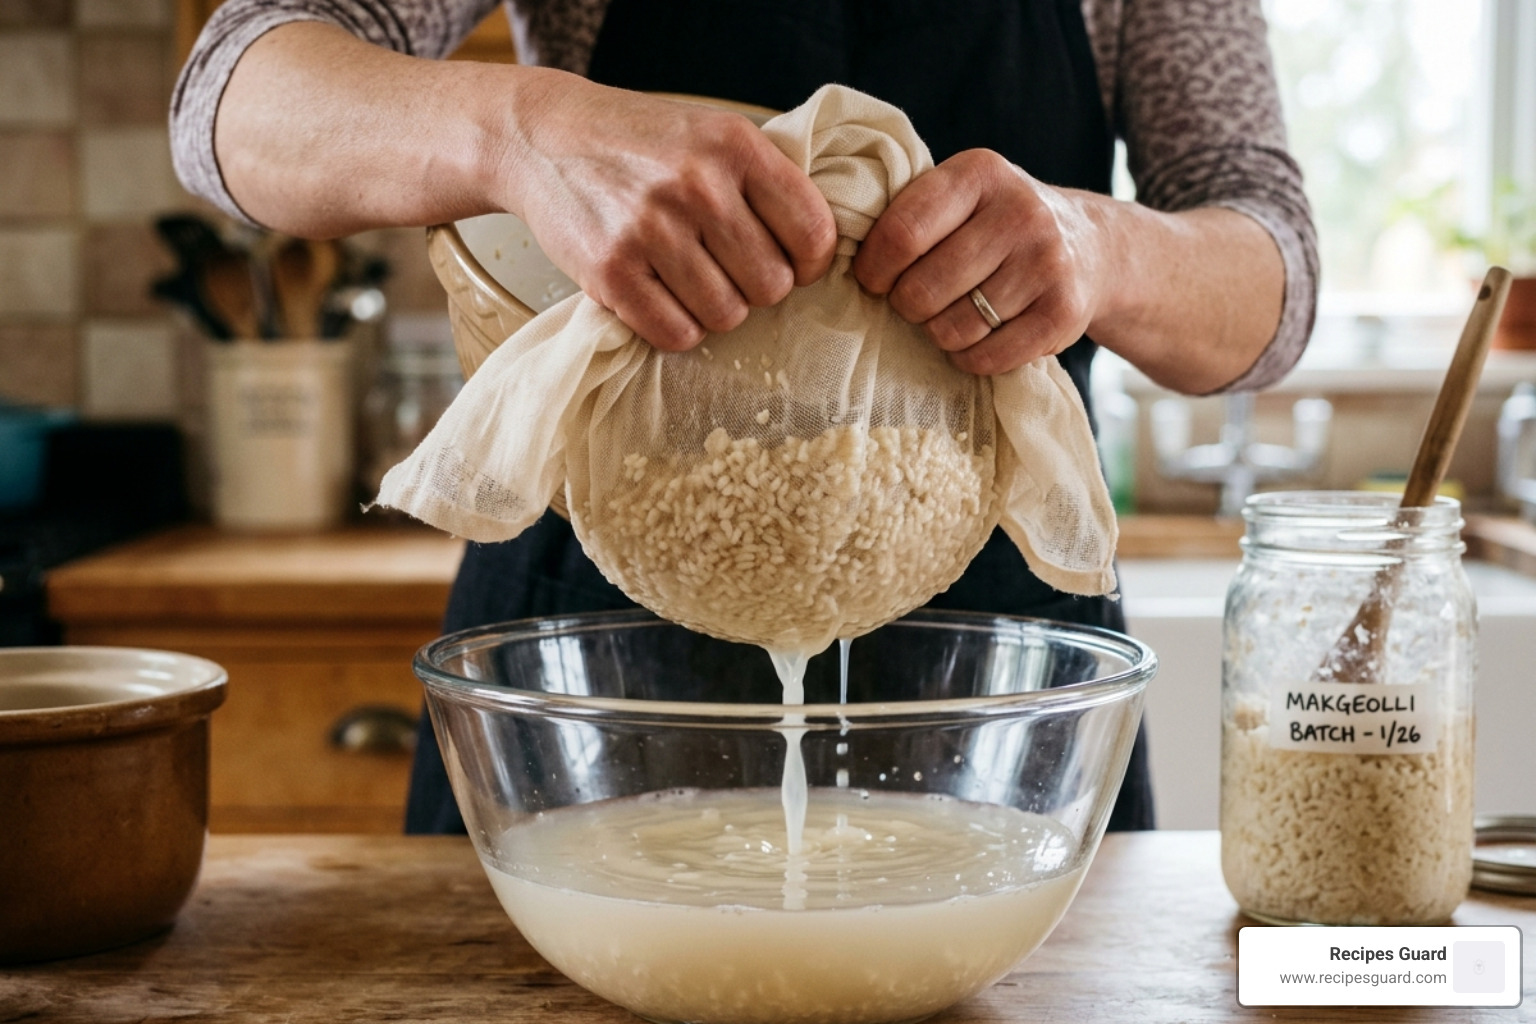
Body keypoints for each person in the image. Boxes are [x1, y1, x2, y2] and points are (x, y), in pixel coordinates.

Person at [171, 0, 1318, 834]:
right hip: (594, 644)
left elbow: (1270, 269)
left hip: (1001, 672)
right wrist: (519, 131)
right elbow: (233, 92)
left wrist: (1098, 245)